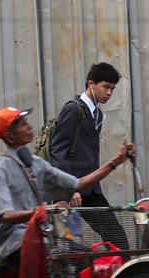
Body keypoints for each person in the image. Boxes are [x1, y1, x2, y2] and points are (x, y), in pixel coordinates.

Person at [0, 106, 134, 278]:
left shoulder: (34, 163)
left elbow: (78, 183)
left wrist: (116, 162)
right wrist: (39, 212)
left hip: (37, 236)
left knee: (83, 257)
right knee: (61, 260)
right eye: (22, 124)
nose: (29, 126)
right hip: (9, 242)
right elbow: (3, 214)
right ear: (9, 136)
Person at [49, 62, 127, 248]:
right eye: (105, 87)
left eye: (113, 89)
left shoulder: (97, 115)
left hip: (90, 189)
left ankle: (112, 274)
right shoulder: (73, 109)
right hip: (71, 192)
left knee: (116, 237)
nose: (109, 93)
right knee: (64, 244)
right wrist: (70, 189)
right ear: (91, 84)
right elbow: (58, 151)